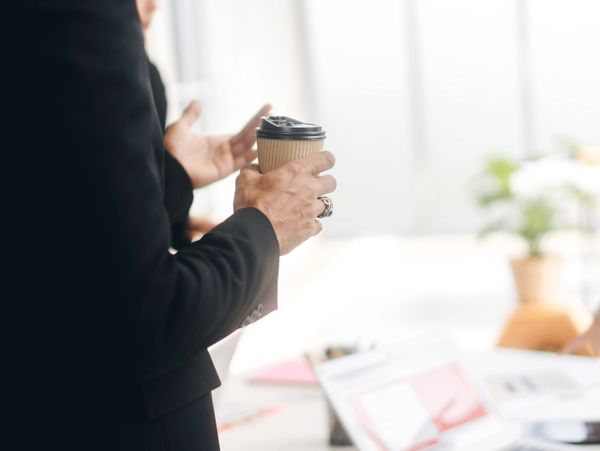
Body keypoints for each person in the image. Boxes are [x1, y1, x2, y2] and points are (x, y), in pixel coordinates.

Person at [3, 1, 336, 450]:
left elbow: (52, 234)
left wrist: (171, 177)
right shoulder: (80, 18)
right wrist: (265, 227)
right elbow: (148, 316)